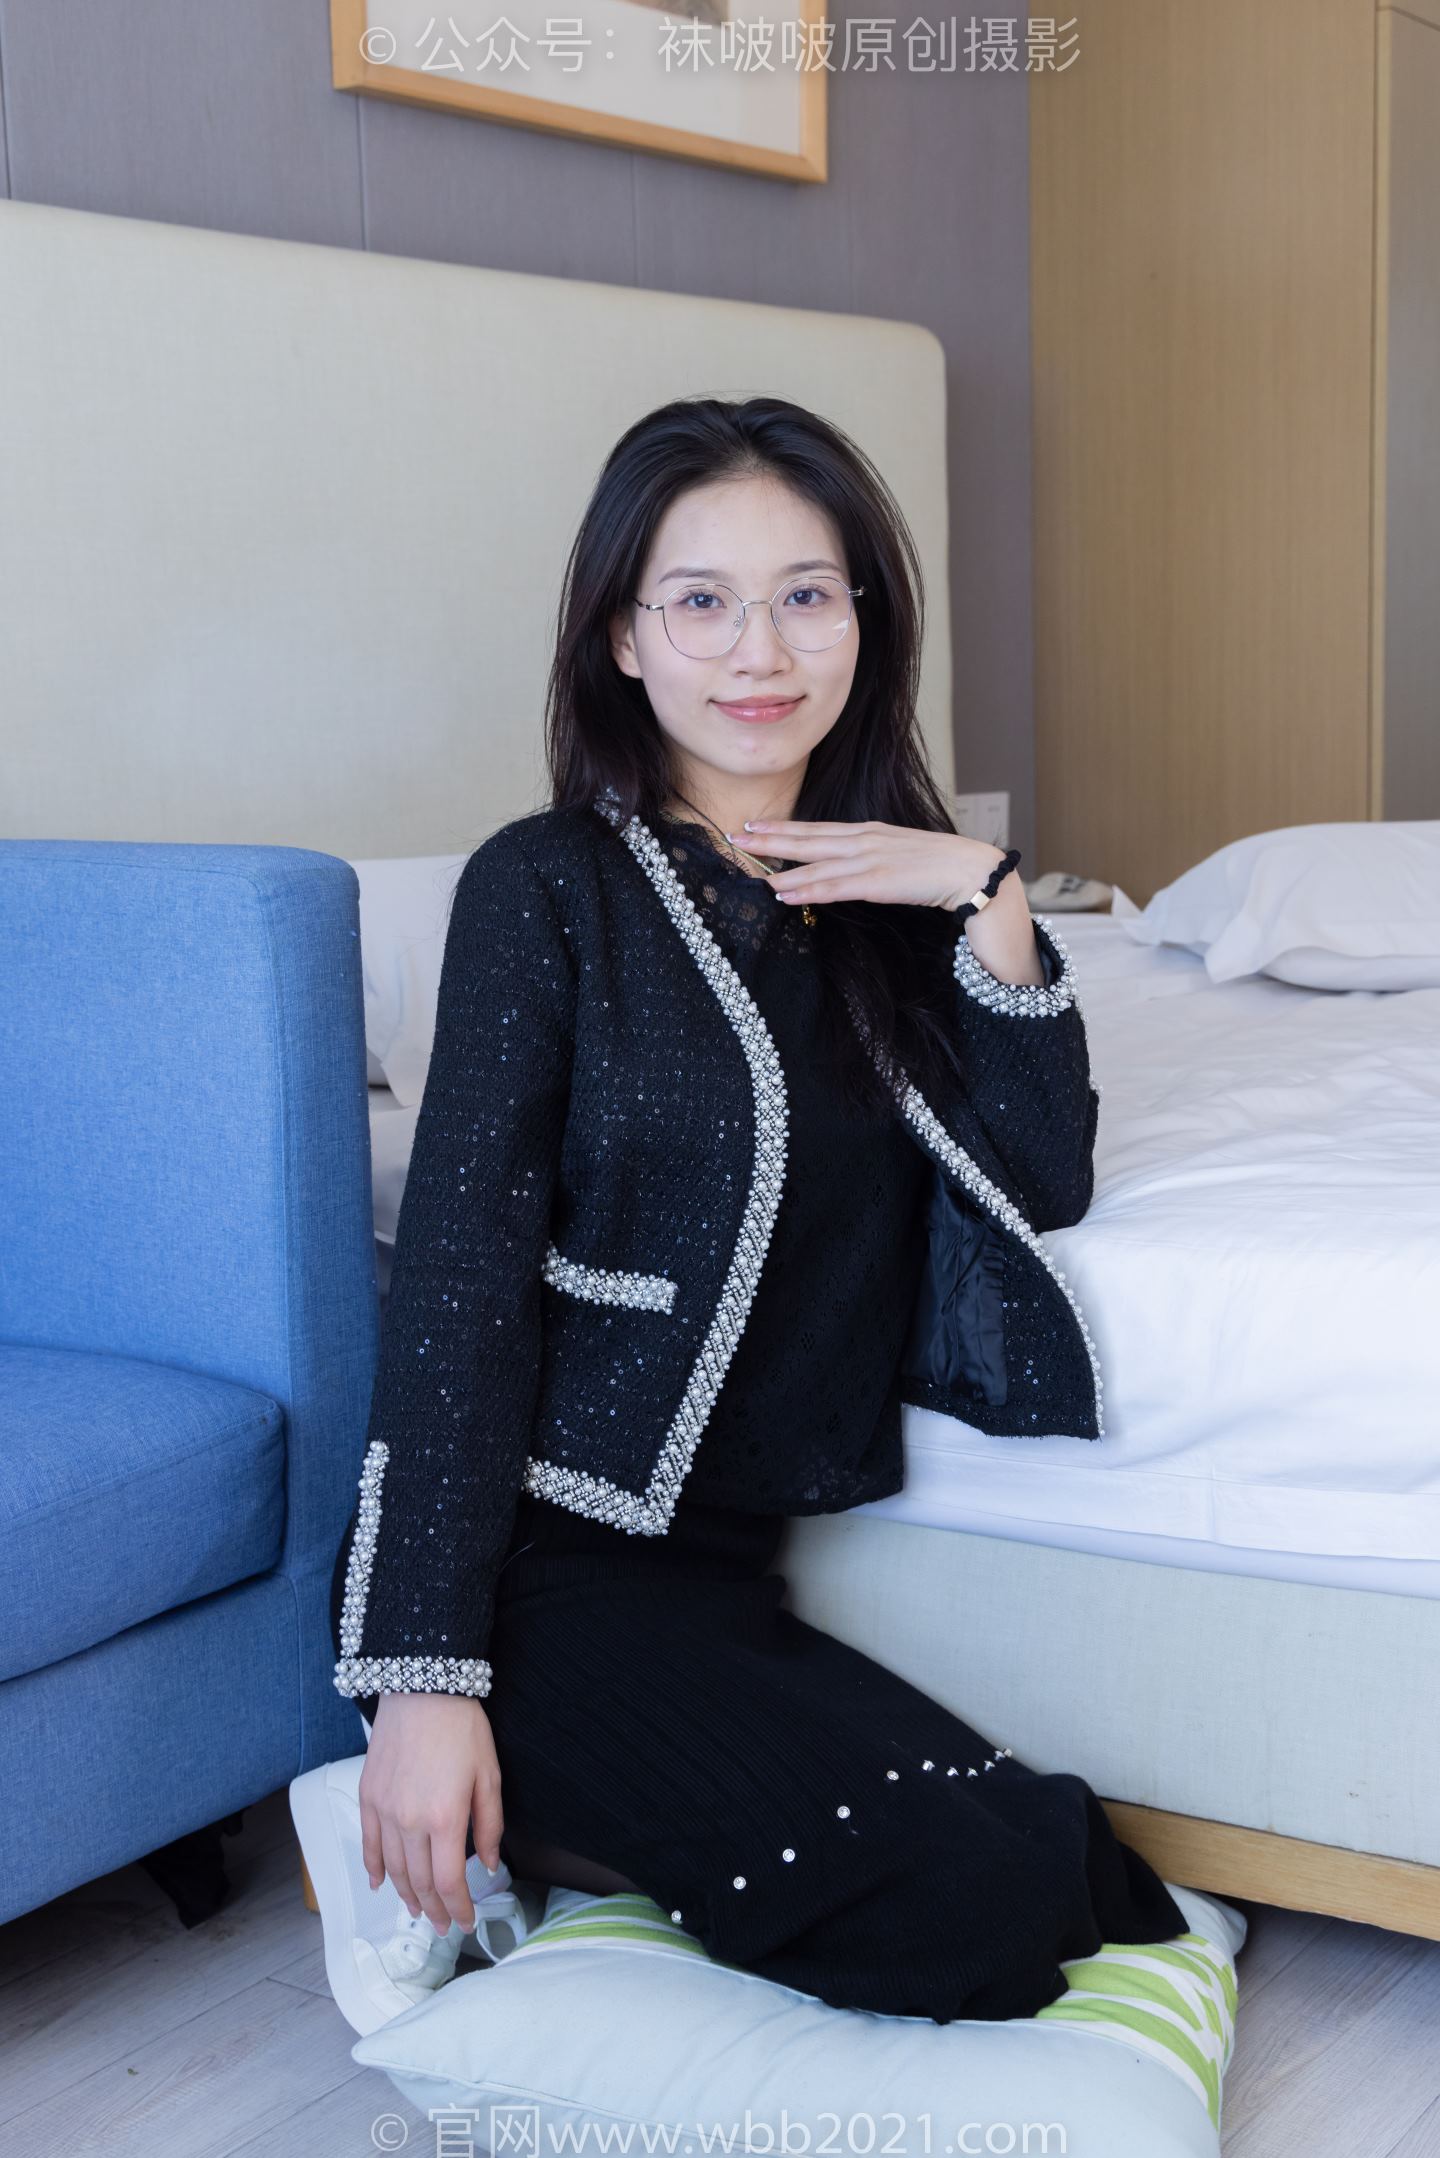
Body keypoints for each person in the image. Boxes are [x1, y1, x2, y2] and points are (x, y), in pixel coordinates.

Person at [302, 394, 1188, 2030]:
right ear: (623, 637)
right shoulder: (545, 886)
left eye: (806, 594)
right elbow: (457, 1290)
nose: (760, 649)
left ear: (865, 618)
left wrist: (981, 891)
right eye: (701, 600)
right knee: (979, 1914)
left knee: (1078, 1865)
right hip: (529, 1566)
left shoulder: (880, 905)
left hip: (722, 1565)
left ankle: (571, 1842)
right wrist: (424, 1674)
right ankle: (427, 1793)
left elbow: (1038, 1173)